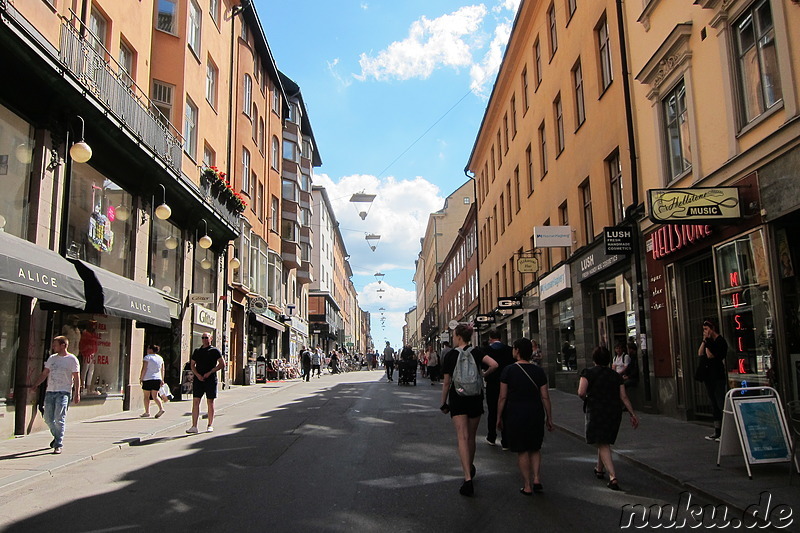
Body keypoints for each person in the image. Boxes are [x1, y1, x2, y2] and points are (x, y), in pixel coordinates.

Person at [440, 324, 499, 496]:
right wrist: (482, 376)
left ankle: (467, 477)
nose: (452, 337)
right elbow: (494, 364)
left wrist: (443, 402)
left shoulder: (451, 355)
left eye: (453, 335)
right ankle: (470, 466)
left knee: (462, 437)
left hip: (458, 398)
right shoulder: (477, 352)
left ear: (458, 336)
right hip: (475, 398)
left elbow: (446, 383)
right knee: (471, 437)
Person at [496, 338, 553, 495]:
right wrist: (549, 417)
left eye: (514, 348)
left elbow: (502, 397)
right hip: (535, 412)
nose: (512, 350)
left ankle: (527, 485)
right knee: (535, 448)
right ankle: (537, 478)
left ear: (518, 351)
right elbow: (545, 397)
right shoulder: (538, 371)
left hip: (515, 413)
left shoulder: (508, 371)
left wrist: (499, 417)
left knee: (522, 450)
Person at [578, 346, 639, 491]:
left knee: (602, 442)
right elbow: (623, 397)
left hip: (596, 410)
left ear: (594, 359)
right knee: (603, 440)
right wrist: (632, 414)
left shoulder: (588, 373)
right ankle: (599, 469)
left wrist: (588, 398)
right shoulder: (616, 376)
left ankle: (613, 477)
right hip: (613, 411)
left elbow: (581, 392)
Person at [31, 336, 80, 454]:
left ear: (63, 345)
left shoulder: (72, 359)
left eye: (55, 344)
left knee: (59, 418)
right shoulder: (52, 358)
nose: (53, 347)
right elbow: (45, 373)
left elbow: (77, 377)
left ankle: (58, 444)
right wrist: (36, 384)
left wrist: (77, 393)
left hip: (64, 392)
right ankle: (57, 437)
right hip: (50, 391)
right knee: (47, 418)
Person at [187, 333, 225, 434]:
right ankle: (194, 426)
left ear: (211, 339)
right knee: (196, 401)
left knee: (210, 402)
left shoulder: (214, 351)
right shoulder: (197, 351)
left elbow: (222, 364)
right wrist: (197, 375)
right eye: (203, 338)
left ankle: (210, 425)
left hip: (210, 379)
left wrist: (211, 372)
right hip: (198, 379)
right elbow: (192, 365)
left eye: (206, 338)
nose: (204, 339)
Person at [484, 329, 515, 448]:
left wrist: (485, 374)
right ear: (500, 338)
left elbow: (483, 366)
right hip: (507, 384)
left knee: (492, 410)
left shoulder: (487, 351)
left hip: (492, 384)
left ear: (491, 338)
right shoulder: (509, 350)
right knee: (506, 411)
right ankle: (505, 440)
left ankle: (491, 436)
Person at [698, 319, 728, 441]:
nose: (705, 331)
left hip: (718, 375)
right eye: (704, 329)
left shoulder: (720, 341)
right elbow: (700, 353)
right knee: (713, 403)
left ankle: (724, 432)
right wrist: (704, 341)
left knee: (719, 402)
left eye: (706, 329)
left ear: (712, 328)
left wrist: (708, 341)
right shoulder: (707, 342)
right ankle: (717, 430)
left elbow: (710, 355)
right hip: (709, 376)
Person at [139, 344, 166, 418]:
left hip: (148, 378)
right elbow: (162, 369)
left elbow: (144, 368)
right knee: (155, 396)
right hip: (157, 378)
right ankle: (161, 408)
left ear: (151, 350)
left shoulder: (147, 358)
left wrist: (141, 378)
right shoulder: (160, 358)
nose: (147, 350)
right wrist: (162, 379)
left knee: (146, 396)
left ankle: (147, 412)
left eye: (148, 348)